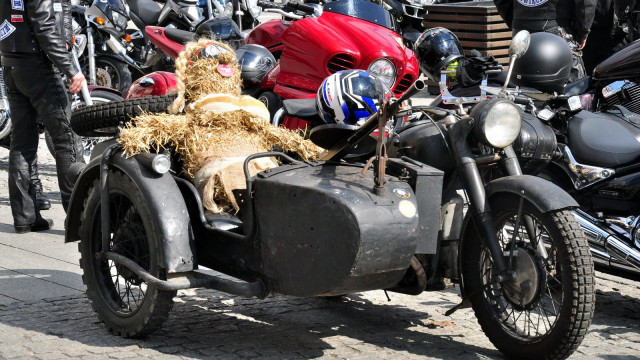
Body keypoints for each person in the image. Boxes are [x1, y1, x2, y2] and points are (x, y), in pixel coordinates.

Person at [0, 0, 85, 233]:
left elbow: (60, 12)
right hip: (37, 65)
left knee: (22, 142)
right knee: (67, 140)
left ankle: (25, 217)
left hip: (12, 63)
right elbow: (44, 26)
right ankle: (80, 221)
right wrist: (71, 68)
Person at [493, 0, 597, 82]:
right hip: (557, 32)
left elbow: (502, 2)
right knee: (572, 94)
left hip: (522, 32)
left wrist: (517, 23)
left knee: (521, 90)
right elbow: (585, 3)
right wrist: (582, 32)